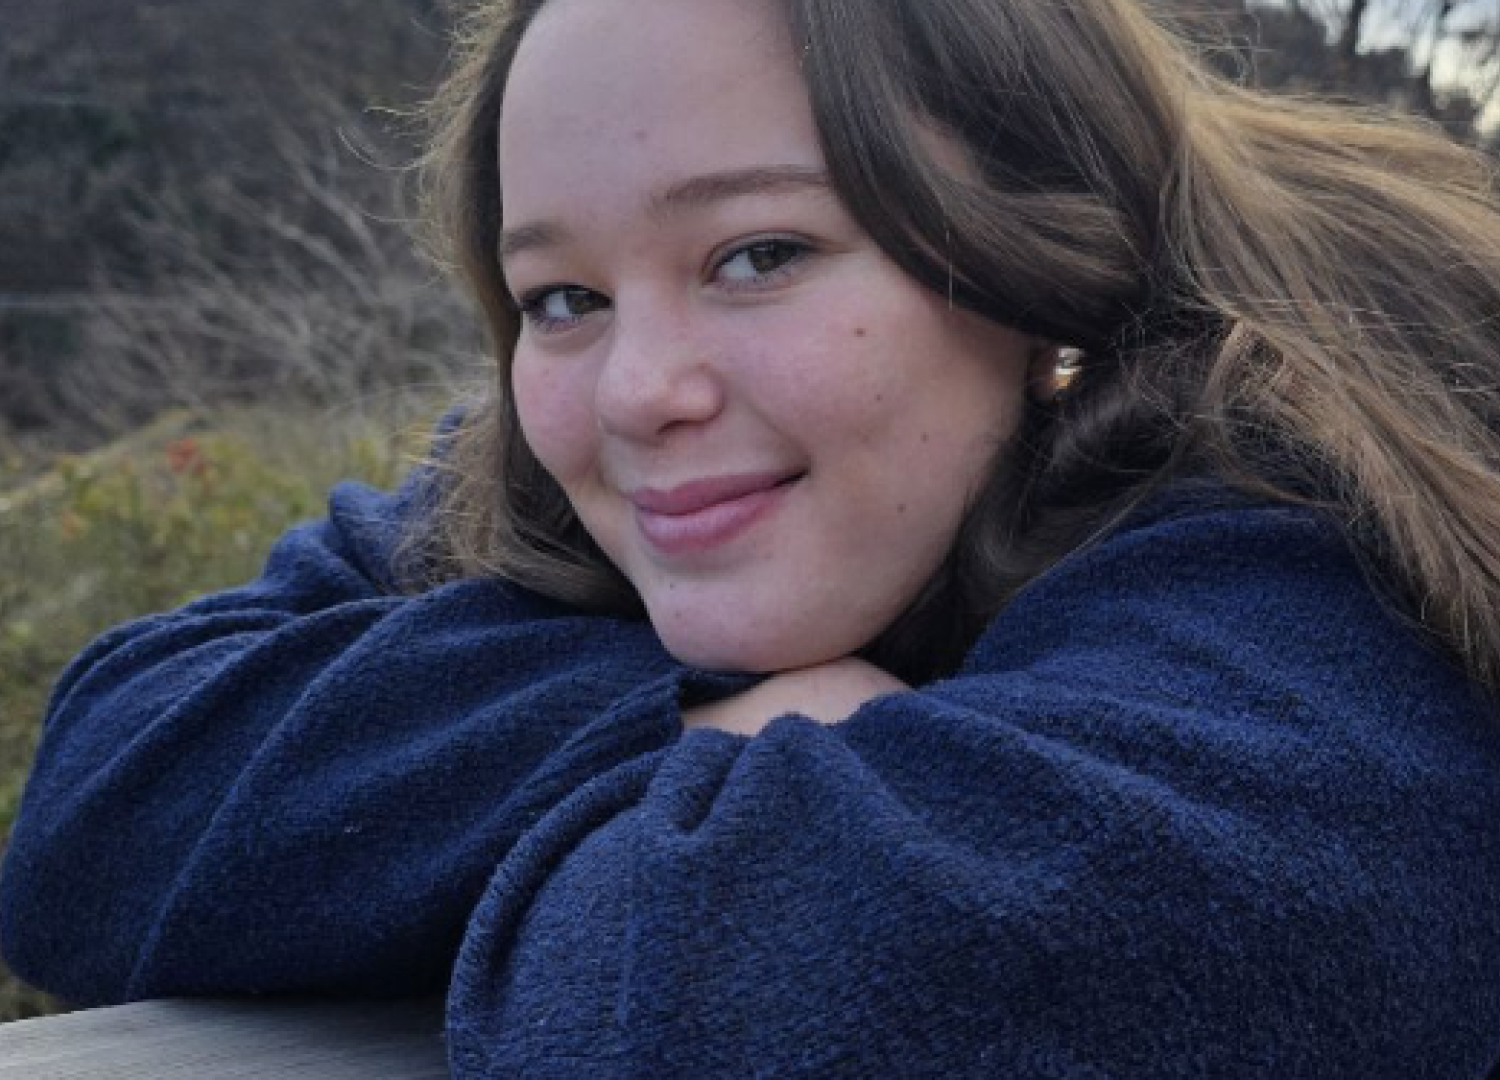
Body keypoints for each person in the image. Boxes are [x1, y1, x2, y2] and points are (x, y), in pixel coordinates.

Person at [5, 0, 1500, 1074]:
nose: (636, 393)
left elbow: (717, 1001)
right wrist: (703, 710)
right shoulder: (575, 464)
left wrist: (709, 786)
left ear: (1053, 254)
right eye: (562, 298)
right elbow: (103, 799)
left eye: (759, 254)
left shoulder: (1327, 526)